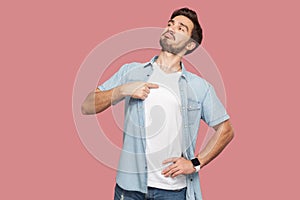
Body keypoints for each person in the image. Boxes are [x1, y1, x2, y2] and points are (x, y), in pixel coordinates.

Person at [81, 7, 234, 200]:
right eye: (170, 24)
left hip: (174, 191)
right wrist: (122, 90)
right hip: (129, 188)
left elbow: (226, 129)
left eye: (181, 28)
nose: (171, 28)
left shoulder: (199, 87)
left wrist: (195, 163)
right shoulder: (131, 71)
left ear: (190, 45)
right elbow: (86, 106)